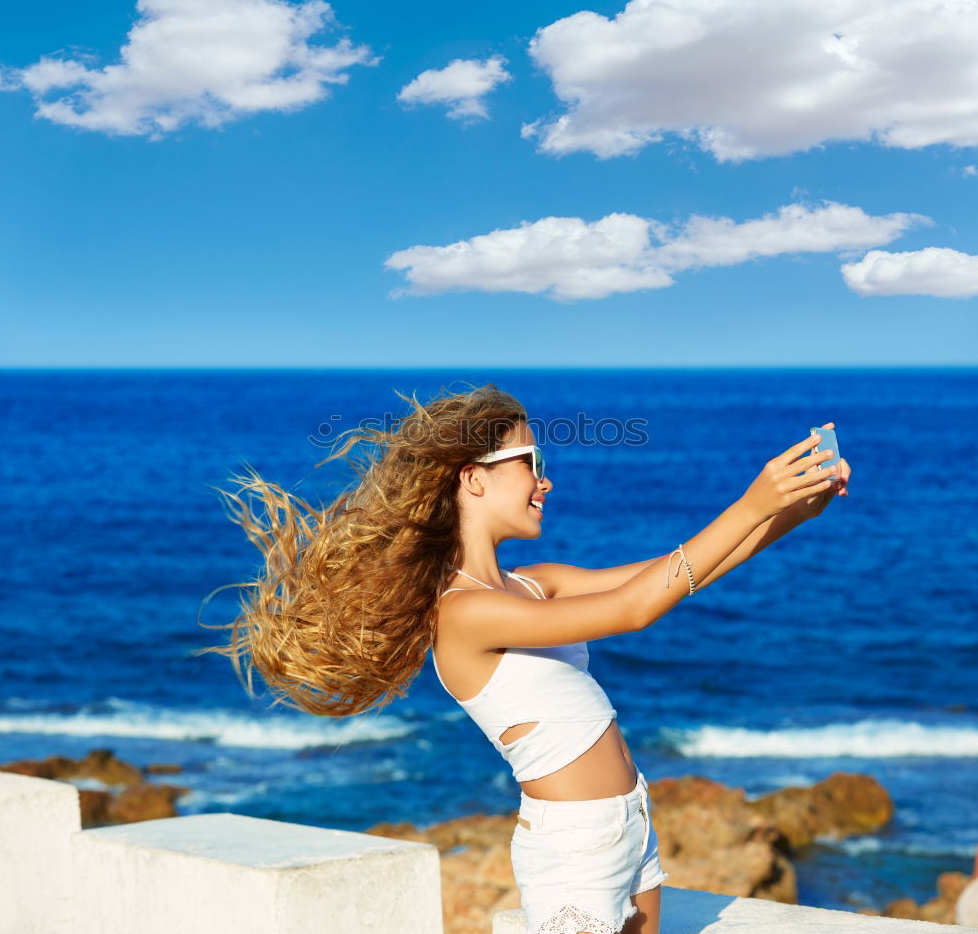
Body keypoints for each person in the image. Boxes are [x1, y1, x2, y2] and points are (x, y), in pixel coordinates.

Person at [200, 384, 850, 934]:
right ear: (473, 478)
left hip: (630, 825)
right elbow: (632, 610)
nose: (546, 479)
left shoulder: (534, 582)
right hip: (575, 850)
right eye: (529, 462)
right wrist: (749, 503)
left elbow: (676, 574)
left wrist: (796, 510)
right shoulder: (461, 612)